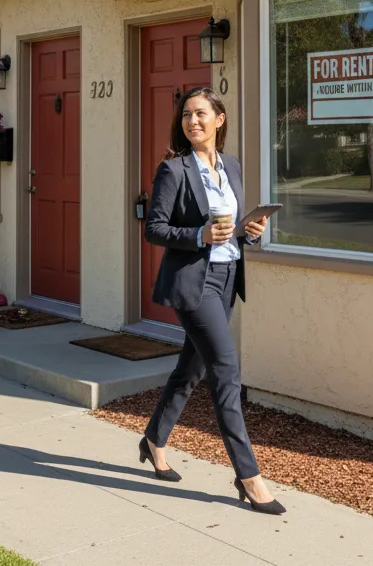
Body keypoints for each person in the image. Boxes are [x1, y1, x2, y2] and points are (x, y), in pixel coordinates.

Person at [138, 86, 286, 515]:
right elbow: (154, 229)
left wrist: (248, 231)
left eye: (201, 113)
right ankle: (248, 476)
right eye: (187, 115)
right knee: (226, 371)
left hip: (226, 277)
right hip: (193, 284)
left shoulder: (231, 166)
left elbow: (230, 228)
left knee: (192, 368)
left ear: (219, 120)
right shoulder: (173, 169)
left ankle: (153, 439)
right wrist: (198, 235)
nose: (192, 121)